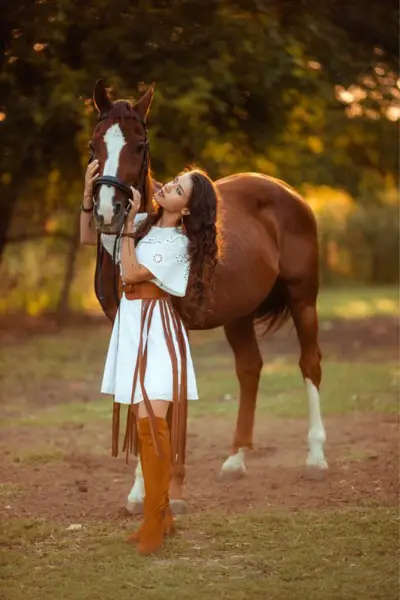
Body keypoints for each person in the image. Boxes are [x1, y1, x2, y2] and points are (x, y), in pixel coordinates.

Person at [80, 161, 220, 555]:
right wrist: (88, 194)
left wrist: (125, 226)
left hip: (158, 331)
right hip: (131, 325)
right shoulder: (141, 223)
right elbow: (89, 238)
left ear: (188, 209)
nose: (168, 188)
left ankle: (154, 521)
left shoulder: (180, 243)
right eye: (173, 181)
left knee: (152, 424)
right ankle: (161, 515)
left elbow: (133, 271)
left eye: (178, 191)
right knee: (145, 425)